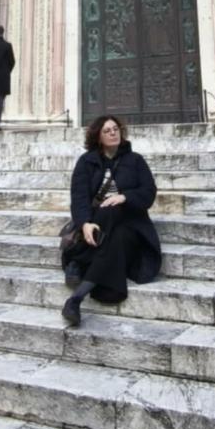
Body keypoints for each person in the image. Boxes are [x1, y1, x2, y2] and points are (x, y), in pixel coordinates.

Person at [60, 114, 160, 328]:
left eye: (116, 129)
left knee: (113, 210)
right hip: (98, 225)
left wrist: (125, 197)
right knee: (113, 232)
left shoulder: (135, 160)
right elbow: (79, 198)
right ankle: (75, 301)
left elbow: (149, 193)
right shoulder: (86, 162)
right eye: (107, 130)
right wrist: (85, 223)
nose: (113, 133)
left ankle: (79, 263)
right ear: (98, 137)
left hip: (132, 224)